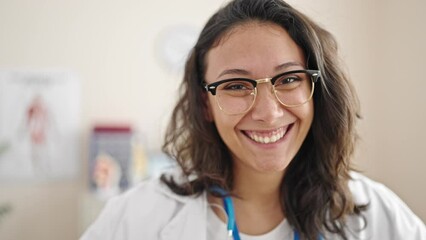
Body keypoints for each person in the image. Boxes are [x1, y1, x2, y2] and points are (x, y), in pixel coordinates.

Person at [80, 0, 426, 239]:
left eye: (289, 79)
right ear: (205, 104)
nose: (267, 112)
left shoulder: (376, 215)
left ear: (316, 89)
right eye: (235, 85)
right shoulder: (136, 219)